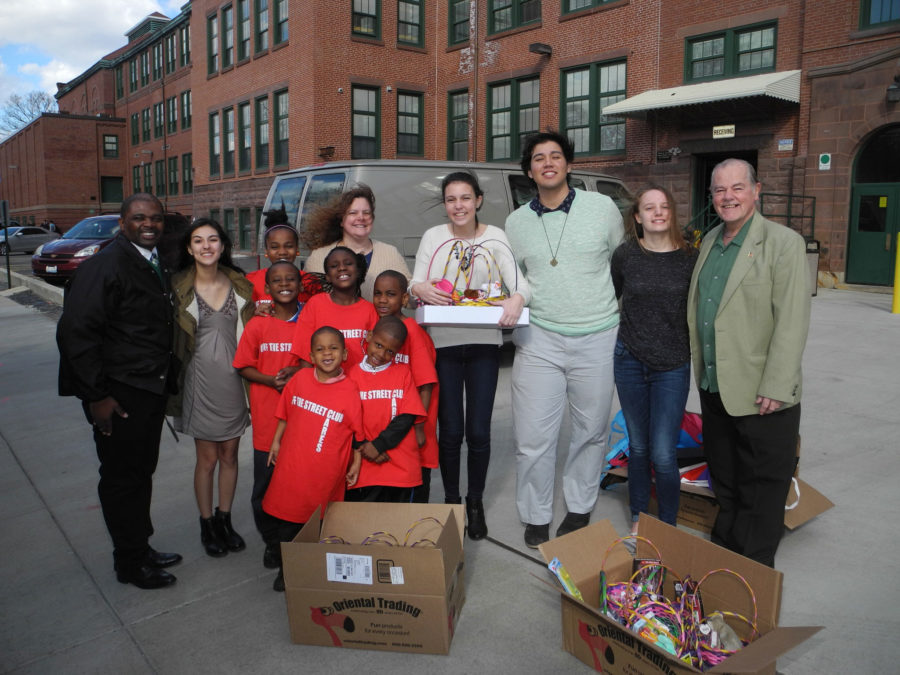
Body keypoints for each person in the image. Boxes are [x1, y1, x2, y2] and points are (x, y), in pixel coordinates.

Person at [687, 158, 811, 567]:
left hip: (762, 392)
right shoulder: (708, 243)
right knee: (727, 480)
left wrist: (777, 385)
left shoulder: (783, 243)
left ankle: (752, 574)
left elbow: (791, 321)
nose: (728, 197)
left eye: (738, 188)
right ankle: (726, 555)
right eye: (720, 190)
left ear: (756, 191)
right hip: (715, 386)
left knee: (762, 488)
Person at [504, 131, 624, 548]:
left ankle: (578, 505)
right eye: (539, 158)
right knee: (533, 437)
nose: (548, 163)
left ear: (569, 165)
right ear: (530, 171)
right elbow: (518, 280)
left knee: (590, 431)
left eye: (556, 156)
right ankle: (535, 514)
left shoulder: (602, 208)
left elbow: (621, 263)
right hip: (539, 340)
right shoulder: (516, 223)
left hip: (597, 337)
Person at [57, 193, 181, 589]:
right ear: (122, 223)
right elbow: (76, 334)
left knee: (140, 473)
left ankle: (139, 546)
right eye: (139, 218)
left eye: (156, 218)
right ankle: (129, 563)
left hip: (147, 389)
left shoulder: (151, 260)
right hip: (119, 395)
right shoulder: (105, 266)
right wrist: (97, 396)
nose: (149, 224)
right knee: (121, 479)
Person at [410, 171, 530, 540]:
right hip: (444, 345)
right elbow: (416, 282)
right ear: (444, 204)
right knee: (450, 432)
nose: (458, 205)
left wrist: (516, 299)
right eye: (451, 199)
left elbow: (520, 284)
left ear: (478, 200)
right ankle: (450, 502)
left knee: (478, 431)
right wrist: (423, 288)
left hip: (484, 345)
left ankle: (474, 502)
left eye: (465, 198)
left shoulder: (496, 238)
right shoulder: (434, 237)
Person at [611, 185, 697, 534]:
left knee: (663, 453)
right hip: (629, 360)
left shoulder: (691, 257)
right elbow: (612, 297)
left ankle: (667, 525)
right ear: (637, 216)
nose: (658, 212)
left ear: (672, 213)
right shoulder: (625, 255)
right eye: (649, 207)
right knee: (638, 445)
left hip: (673, 365)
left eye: (664, 207)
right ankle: (637, 518)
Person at [170, 218, 255, 558]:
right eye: (198, 240)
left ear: (223, 246)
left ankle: (225, 519)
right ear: (189, 248)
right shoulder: (176, 286)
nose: (206, 246)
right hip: (198, 383)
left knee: (230, 455)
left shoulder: (242, 285)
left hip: (234, 382)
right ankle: (206, 524)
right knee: (206, 459)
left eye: (213, 240)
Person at [263, 326, 364, 591]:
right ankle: (287, 572)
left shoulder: (350, 390)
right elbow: (285, 412)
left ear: (344, 353)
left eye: (333, 348)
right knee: (287, 524)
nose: (326, 353)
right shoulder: (299, 379)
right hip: (293, 466)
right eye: (320, 349)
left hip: (325, 472)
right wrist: (275, 441)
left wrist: (356, 461)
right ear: (310, 355)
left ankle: (315, 573)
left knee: (319, 525)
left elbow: (356, 434)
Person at [232, 261, 303, 570]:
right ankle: (272, 544)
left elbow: (320, 360)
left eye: (290, 279)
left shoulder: (309, 322)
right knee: (265, 488)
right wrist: (270, 379)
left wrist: (297, 370)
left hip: (302, 426)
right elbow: (243, 366)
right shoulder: (258, 325)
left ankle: (299, 546)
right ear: (268, 288)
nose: (284, 284)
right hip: (267, 425)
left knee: (299, 488)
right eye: (277, 280)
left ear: (300, 285)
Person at [372, 270, 439, 503]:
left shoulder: (412, 332)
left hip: (412, 427)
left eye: (390, 294)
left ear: (403, 299)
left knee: (414, 495)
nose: (382, 300)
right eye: (377, 294)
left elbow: (426, 384)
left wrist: (419, 426)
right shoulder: (377, 331)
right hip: (390, 431)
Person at [346, 316, 427, 502]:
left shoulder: (403, 373)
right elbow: (347, 420)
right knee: (367, 525)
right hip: (365, 466)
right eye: (379, 345)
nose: (381, 354)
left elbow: (406, 417)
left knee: (398, 525)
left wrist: (379, 444)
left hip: (401, 468)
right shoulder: (351, 375)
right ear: (369, 337)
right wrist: (364, 446)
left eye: (390, 351)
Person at [302, 184, 410, 302]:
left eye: (366, 213)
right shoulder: (319, 257)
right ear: (341, 220)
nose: (361, 217)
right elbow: (308, 301)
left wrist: (419, 290)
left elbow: (409, 298)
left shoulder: (390, 253)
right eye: (353, 213)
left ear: (372, 218)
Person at [291, 246, 378, 370]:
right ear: (327, 276)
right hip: (323, 386)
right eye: (334, 266)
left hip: (361, 386)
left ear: (358, 271)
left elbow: (376, 354)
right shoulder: (315, 304)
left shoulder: (370, 310)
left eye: (348, 263)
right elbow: (305, 355)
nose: (342, 268)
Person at [246, 207, 322, 310]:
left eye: (289, 246)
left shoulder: (310, 282)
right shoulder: (251, 280)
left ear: (297, 249)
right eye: (274, 247)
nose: (282, 252)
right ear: (266, 251)